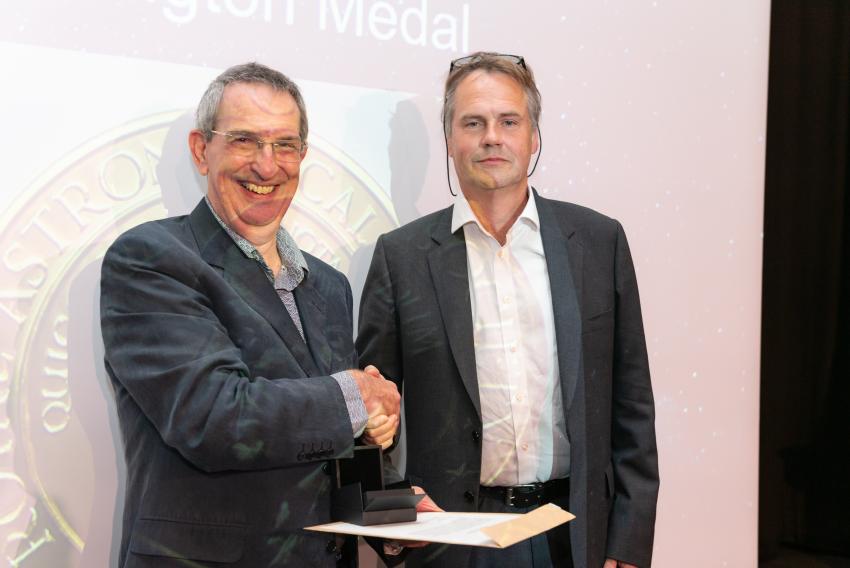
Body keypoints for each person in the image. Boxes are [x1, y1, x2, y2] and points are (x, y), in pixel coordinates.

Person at [357, 52, 659, 568]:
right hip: (451, 541)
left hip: (573, 534)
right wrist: (392, 511)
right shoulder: (402, 256)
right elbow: (367, 407)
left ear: (533, 137)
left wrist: (627, 544)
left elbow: (631, 404)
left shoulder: (598, 242)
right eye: (473, 122)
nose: (491, 136)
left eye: (509, 121)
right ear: (450, 141)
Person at [100, 62, 406, 567]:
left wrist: (394, 518)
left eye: (285, 145)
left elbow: (332, 446)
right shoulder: (151, 259)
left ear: (302, 156)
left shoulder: (329, 286)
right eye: (245, 140)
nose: (267, 166)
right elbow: (213, 416)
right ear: (202, 150)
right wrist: (355, 396)